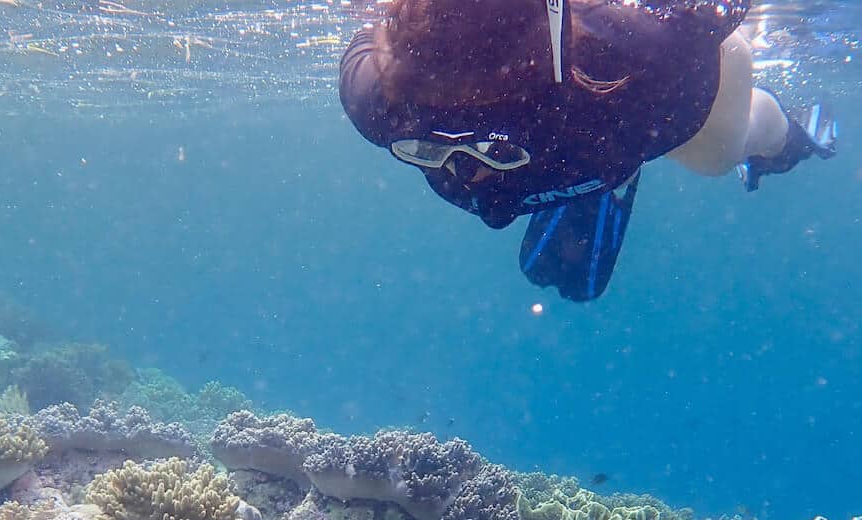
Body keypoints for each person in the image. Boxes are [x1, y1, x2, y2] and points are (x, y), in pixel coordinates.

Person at [339, 0, 836, 302]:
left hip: (642, 90)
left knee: (716, 155)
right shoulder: (380, 101)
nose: (468, 177)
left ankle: (791, 140)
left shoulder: (650, 60)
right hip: (592, 126)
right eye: (429, 144)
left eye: (493, 146)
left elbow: (712, 19)